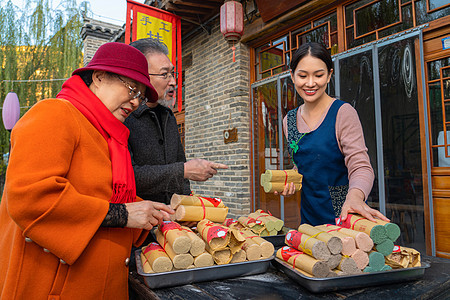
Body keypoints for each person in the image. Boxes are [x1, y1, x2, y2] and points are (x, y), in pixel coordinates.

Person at [0, 42, 174, 299]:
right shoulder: (55, 113)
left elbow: (107, 196)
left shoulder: (111, 136)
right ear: (99, 76)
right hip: (55, 288)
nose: (136, 101)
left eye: (140, 95)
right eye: (131, 89)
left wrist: (155, 215)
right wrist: (125, 214)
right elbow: (31, 199)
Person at [279, 42, 389, 226]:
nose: (311, 83)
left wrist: (355, 197)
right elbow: (304, 165)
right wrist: (289, 181)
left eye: (319, 75)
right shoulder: (288, 121)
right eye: (303, 76)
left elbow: (361, 166)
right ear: (292, 76)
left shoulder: (342, 113)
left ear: (329, 75)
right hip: (309, 216)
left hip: (346, 213)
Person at [124, 38, 228, 205]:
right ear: (141, 76)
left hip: (171, 219)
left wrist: (186, 203)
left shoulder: (168, 116)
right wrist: (184, 170)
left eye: (173, 73)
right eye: (164, 74)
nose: (173, 81)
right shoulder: (124, 116)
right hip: (138, 221)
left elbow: (180, 165)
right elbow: (127, 176)